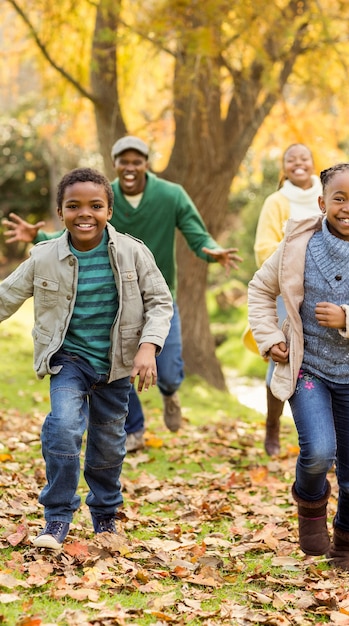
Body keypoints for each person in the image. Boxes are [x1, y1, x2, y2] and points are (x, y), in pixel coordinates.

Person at [2, 136, 242, 452]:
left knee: (167, 372)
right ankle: (134, 429)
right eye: (123, 161)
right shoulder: (99, 193)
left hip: (158, 295)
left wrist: (211, 251)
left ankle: (170, 394)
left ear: (146, 163)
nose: (130, 167)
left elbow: (195, 233)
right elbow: (80, 231)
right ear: (115, 164)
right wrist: (41, 236)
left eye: (136, 161)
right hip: (118, 304)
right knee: (120, 359)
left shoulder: (170, 195)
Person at [248, 162, 349, 572]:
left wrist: (348, 319)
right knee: (319, 451)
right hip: (308, 370)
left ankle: (346, 543)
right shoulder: (297, 246)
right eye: (339, 198)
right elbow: (259, 289)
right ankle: (309, 506)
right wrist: (271, 339)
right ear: (322, 202)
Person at [0, 168, 173, 549]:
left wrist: (148, 346)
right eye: (73, 205)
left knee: (108, 446)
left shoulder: (132, 251)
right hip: (69, 360)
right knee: (62, 428)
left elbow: (160, 302)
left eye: (95, 205)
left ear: (109, 210)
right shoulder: (44, 257)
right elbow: (6, 296)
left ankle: (105, 517)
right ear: (60, 212)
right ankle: (57, 518)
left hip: (116, 363)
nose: (85, 213)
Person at [253, 143, 322, 457]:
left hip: (325, 290)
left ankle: (322, 437)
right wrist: (296, 264)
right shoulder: (277, 201)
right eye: (291, 159)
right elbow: (263, 247)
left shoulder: (327, 193)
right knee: (283, 356)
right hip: (287, 288)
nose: (298, 163)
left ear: (312, 163)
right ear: (284, 167)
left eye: (303, 158)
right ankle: (273, 426)